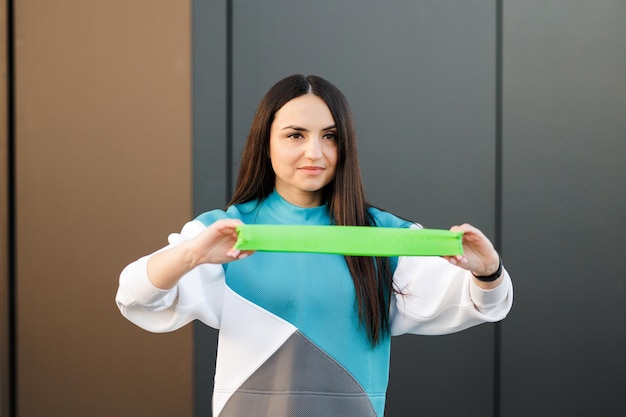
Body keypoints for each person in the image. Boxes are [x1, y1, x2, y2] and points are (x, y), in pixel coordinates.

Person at [115, 74, 513, 417]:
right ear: (265, 143)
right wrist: (191, 255)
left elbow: (485, 303)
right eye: (295, 135)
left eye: (330, 137)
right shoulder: (224, 232)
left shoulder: (385, 236)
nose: (315, 152)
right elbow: (135, 296)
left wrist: (487, 270)